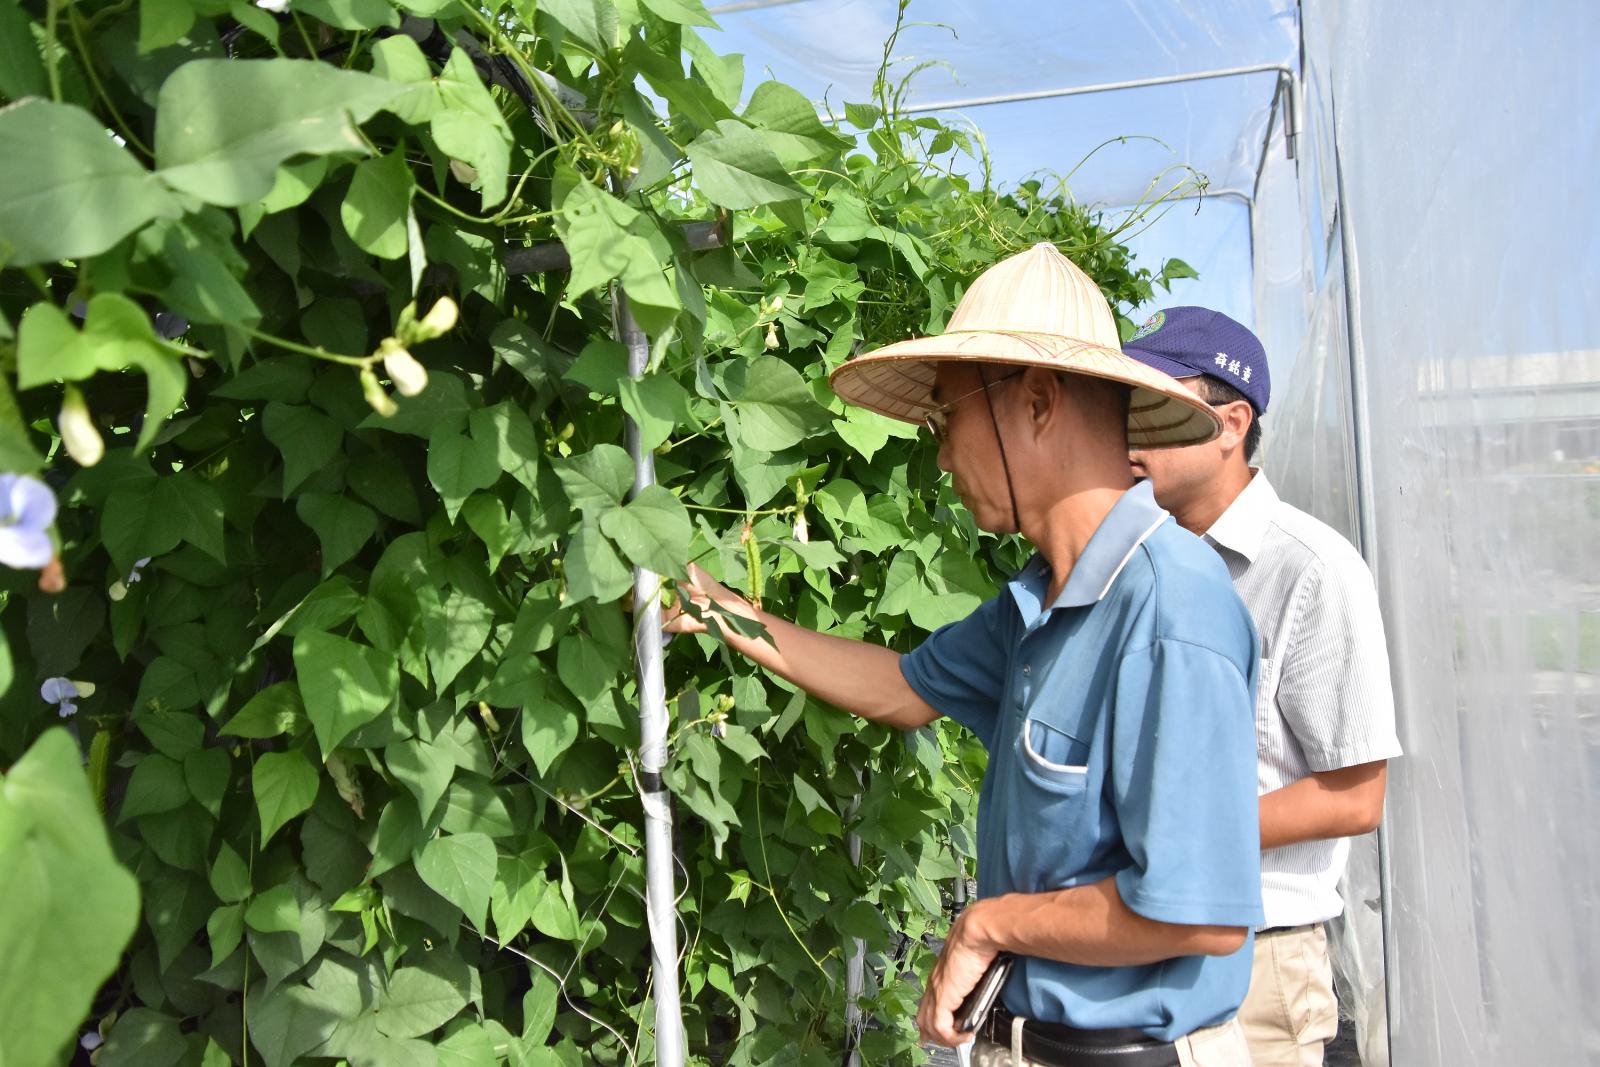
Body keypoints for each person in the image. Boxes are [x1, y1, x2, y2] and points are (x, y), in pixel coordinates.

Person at [667, 244, 1265, 1067]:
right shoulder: (1037, 603)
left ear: (1040, 402)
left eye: (949, 420)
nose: (943, 456)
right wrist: (734, 617)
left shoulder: (1170, 608)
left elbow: (1198, 912)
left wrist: (987, 923)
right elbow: (903, 685)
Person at [1123, 307, 1403, 1067]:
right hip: (1132, 939)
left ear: (1230, 422)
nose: (1127, 433)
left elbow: (1356, 794)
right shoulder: (1141, 562)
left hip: (1259, 965)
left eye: (1152, 406)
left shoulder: (1310, 569)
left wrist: (1180, 841)